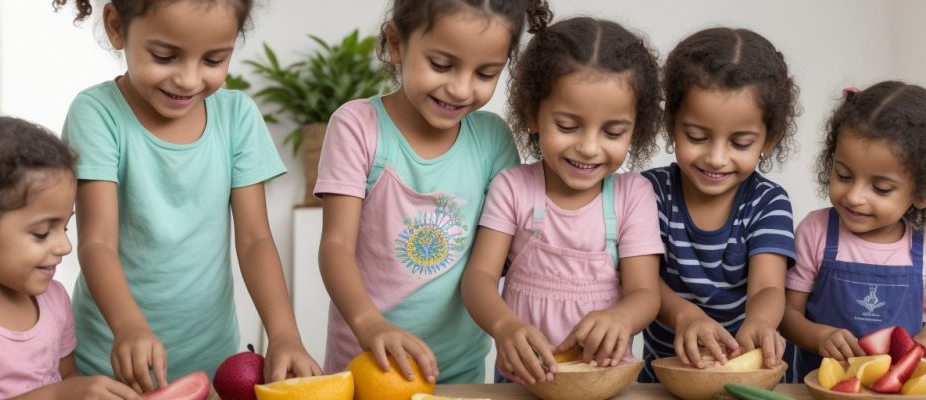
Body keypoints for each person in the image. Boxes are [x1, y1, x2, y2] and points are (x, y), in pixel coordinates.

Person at [53, 0, 321, 392]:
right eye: (165, 56)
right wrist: (128, 328)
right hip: (109, 364)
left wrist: (284, 334)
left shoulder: (237, 117)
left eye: (213, 61)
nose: (188, 79)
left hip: (212, 364)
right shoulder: (97, 113)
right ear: (115, 26)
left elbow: (255, 240)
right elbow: (96, 243)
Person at [315, 0, 552, 384]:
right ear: (396, 43)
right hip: (368, 366)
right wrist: (369, 324)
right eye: (441, 65)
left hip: (460, 373)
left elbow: (506, 255)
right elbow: (335, 246)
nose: (460, 89)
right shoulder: (358, 127)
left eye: (486, 73)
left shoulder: (492, 140)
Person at [460, 16, 665, 385]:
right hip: (522, 383)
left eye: (613, 131)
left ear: (636, 129)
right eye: (567, 126)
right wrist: (504, 326)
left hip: (604, 382)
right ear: (532, 115)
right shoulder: (513, 188)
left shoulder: (632, 196)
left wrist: (622, 318)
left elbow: (645, 292)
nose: (588, 147)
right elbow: (478, 278)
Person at [0, 116, 140, 400]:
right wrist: (56, 395)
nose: (65, 246)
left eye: (64, 227)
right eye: (41, 233)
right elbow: (61, 391)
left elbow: (68, 378)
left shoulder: (54, 299)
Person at [639, 27, 799, 382]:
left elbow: (769, 287)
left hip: (747, 375)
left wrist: (758, 322)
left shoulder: (768, 201)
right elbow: (641, 282)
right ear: (671, 126)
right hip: (665, 378)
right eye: (696, 137)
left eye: (740, 143)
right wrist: (685, 316)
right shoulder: (649, 193)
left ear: (769, 140)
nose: (715, 157)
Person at [781, 81, 926, 382]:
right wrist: (819, 336)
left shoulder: (922, 251)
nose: (855, 196)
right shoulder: (816, 231)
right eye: (844, 175)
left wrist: (915, 350)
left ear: (920, 193)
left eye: (881, 188)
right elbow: (785, 315)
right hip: (818, 388)